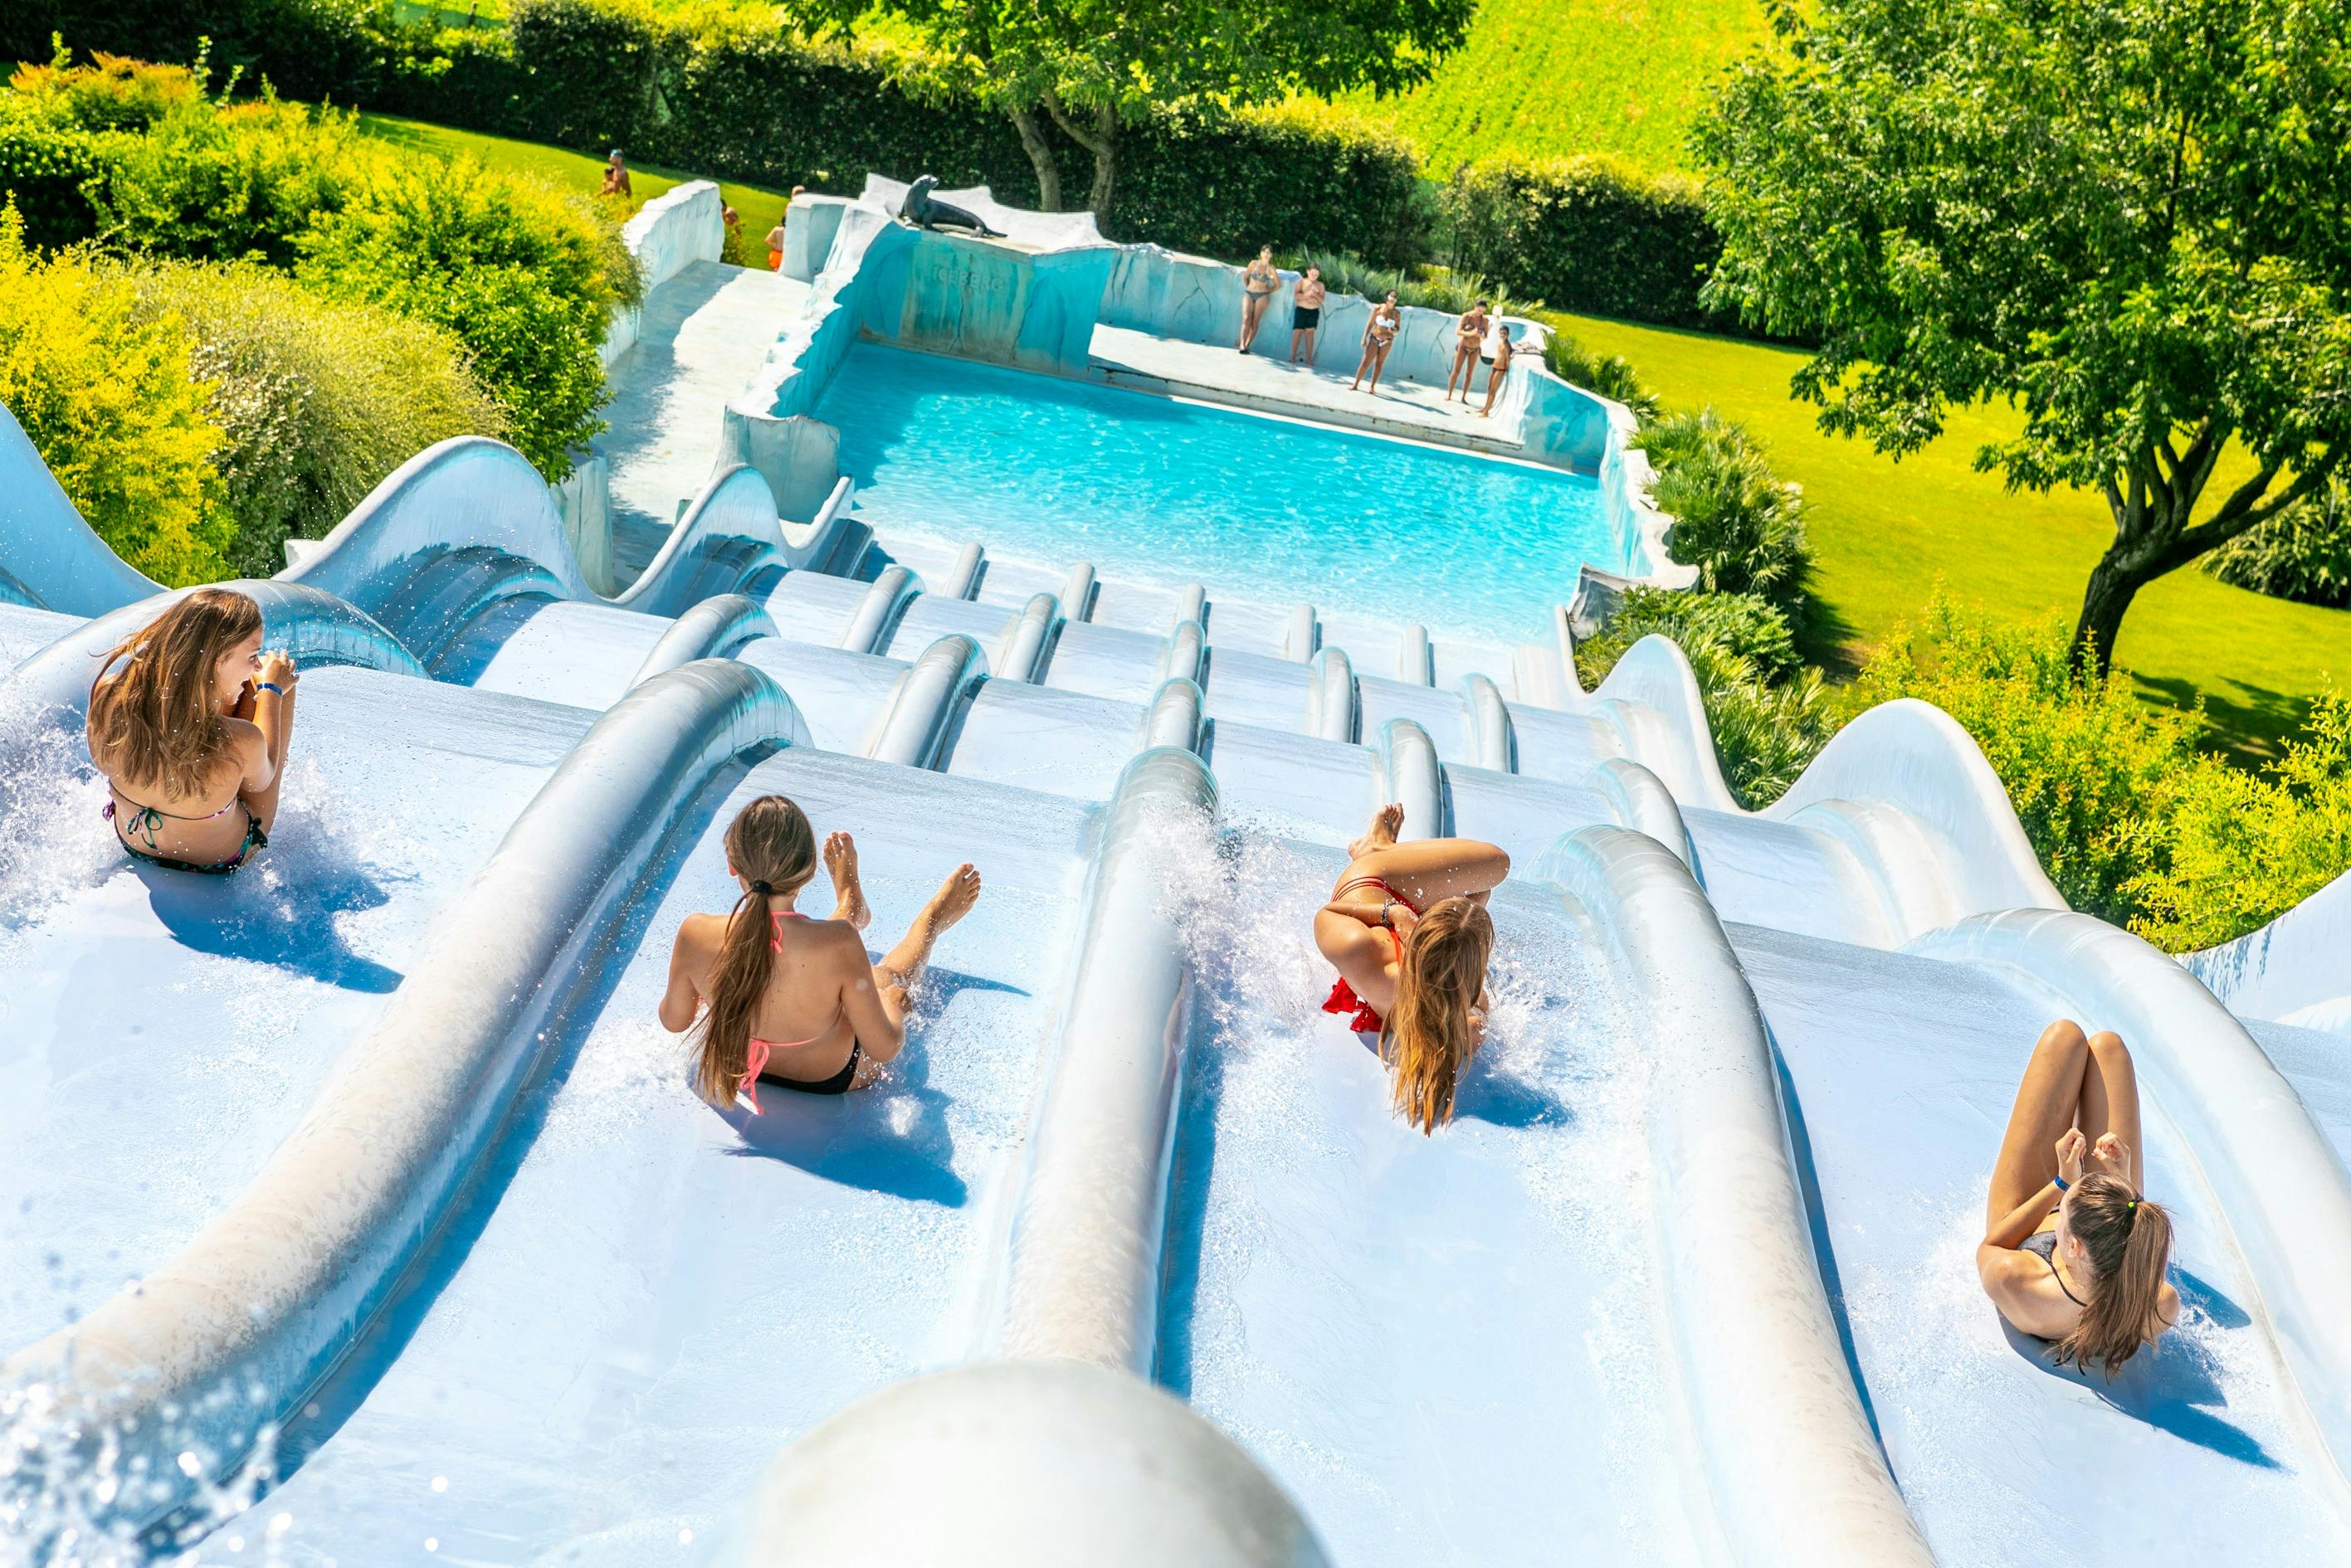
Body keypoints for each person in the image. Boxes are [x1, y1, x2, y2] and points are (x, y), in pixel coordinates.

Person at [661, 795, 983, 1109]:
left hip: (737, 1066)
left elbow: (674, 1021)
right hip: (830, 1077)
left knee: (815, 949)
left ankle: (851, 907)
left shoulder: (695, 933)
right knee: (884, 977)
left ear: (732, 866)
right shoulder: (839, 943)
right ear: (808, 872)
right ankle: (929, 923)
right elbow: (884, 1047)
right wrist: (893, 1005)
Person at [1978, 1020, 2178, 1374]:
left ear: (2072, 1246)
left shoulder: (2018, 1281)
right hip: (2105, 1234)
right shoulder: (2157, 1305)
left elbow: (1991, 1246)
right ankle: (2105, 1197)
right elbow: (2137, 1244)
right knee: (2109, 1049)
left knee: (2064, 1038)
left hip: (2027, 1224)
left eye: (2068, 1203)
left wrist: (2060, 1183)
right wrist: (2121, 1184)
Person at [1315, 803, 1510, 1134]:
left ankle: (1374, 849)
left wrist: (1395, 914)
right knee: (1480, 891)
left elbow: (1328, 912)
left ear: (1417, 937)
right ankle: (1382, 851)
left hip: (1372, 881)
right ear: (1473, 974)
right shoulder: (1471, 1017)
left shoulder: (1363, 951)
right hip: (1414, 935)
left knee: (1495, 866)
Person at [85, 587, 296, 875]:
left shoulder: (109, 693)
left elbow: (101, 760)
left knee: (201, 716)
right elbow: (263, 780)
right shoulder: (242, 738)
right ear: (217, 659)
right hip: (218, 860)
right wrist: (272, 690)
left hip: (134, 841)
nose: (257, 662)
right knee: (271, 682)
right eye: (252, 655)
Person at [1351, 290, 1403, 396]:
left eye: (1395, 297)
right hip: (1375, 338)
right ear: (1387, 297)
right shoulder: (1378, 308)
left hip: (1387, 341)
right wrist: (1364, 338)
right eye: (1391, 296)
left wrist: (1394, 330)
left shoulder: (1397, 313)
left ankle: (1372, 386)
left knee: (1379, 364)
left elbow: (1398, 329)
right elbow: (1370, 323)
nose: (1393, 298)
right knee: (1365, 362)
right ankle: (1355, 384)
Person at [1238, 246, 1281, 355]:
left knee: (1255, 321)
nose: (1266, 254)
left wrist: (1268, 292)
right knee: (1246, 318)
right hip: (1249, 293)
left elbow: (1278, 285)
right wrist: (1249, 287)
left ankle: (1247, 344)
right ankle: (1242, 344)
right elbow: (1245, 277)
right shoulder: (1253, 263)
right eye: (1264, 252)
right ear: (1261, 253)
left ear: (1271, 255)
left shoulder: (1271, 268)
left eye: (1268, 252)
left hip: (1262, 296)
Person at [1446, 299, 1491, 402]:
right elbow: (1458, 331)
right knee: (1456, 371)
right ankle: (1449, 394)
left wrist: (1480, 334)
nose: (1480, 312)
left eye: (1482, 310)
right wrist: (1470, 333)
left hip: (1475, 348)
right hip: (1463, 346)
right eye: (1479, 309)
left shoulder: (1485, 320)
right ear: (1475, 307)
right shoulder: (1467, 316)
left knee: (1469, 373)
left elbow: (1486, 336)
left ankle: (1463, 397)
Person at [1288, 265, 1327, 364]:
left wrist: (1315, 294)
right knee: (1297, 332)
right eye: (1312, 273)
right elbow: (1296, 296)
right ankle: (1292, 356)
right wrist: (1308, 295)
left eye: (1316, 274)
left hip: (1313, 311)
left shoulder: (1320, 285)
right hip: (1301, 310)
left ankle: (1309, 358)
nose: (1314, 276)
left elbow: (1322, 300)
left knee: (1310, 334)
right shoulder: (1301, 282)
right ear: (1308, 272)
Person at [1479, 324, 1516, 417]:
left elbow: (1507, 359)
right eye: (1501, 333)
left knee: (1493, 391)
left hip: (1500, 369)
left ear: (1508, 334)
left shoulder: (1507, 346)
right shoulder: (1500, 344)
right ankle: (1485, 408)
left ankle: (1486, 412)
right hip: (1494, 367)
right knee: (1489, 388)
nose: (1502, 335)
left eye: (1504, 334)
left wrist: (1505, 371)